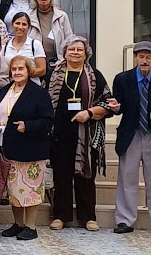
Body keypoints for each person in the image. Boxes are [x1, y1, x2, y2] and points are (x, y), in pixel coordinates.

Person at [107, 41, 151, 238]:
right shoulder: (122, 79)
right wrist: (115, 108)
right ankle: (125, 220)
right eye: (141, 57)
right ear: (135, 58)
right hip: (131, 134)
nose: (144, 61)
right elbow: (118, 106)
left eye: (148, 57)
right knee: (127, 179)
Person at [47, 36, 111, 232]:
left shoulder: (95, 76)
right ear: (65, 52)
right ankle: (60, 215)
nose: (75, 52)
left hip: (86, 133)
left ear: (86, 54)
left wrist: (89, 113)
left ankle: (88, 217)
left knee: (86, 177)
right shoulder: (53, 74)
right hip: (59, 133)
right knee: (61, 176)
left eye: (79, 50)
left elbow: (108, 103)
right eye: (71, 49)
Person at [0, 56, 54, 241]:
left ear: (29, 71)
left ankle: (31, 226)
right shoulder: (4, 91)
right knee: (13, 189)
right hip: (8, 147)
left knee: (30, 189)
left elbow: (48, 120)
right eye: (14, 69)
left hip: (31, 148)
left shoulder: (38, 93)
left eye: (21, 69)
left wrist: (28, 126)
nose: (17, 72)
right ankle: (18, 224)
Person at [27, 0, 74, 70]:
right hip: (34, 64)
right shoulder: (28, 16)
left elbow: (69, 40)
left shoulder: (62, 16)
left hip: (58, 64)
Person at [1, 12, 47, 84]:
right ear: (12, 25)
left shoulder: (35, 44)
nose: (20, 27)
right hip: (10, 87)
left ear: (28, 27)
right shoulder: (5, 46)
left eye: (24, 24)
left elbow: (42, 70)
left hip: (32, 87)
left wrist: (22, 75)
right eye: (17, 23)